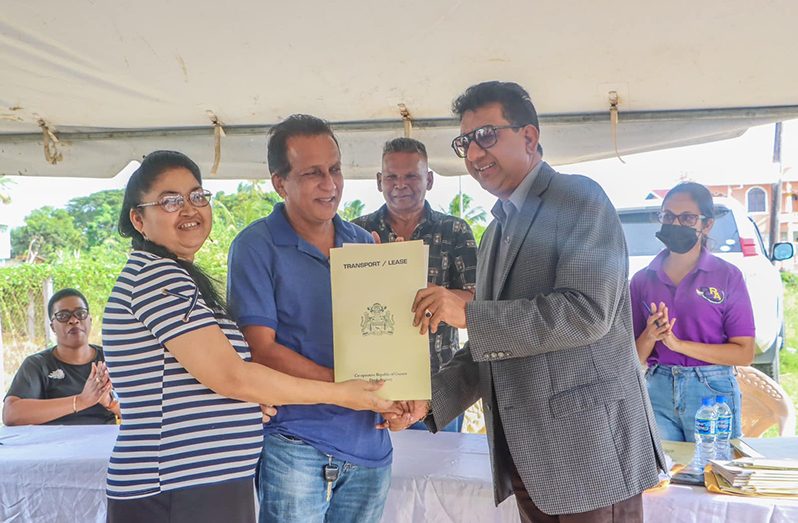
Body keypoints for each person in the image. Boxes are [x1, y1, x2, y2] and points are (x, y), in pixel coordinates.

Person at [389, 81, 666, 521]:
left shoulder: (579, 198)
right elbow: (490, 346)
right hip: (529, 459)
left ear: (530, 138)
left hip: (588, 457)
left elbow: (586, 311)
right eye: (465, 142)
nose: (475, 155)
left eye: (487, 136)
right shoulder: (496, 230)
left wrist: (469, 314)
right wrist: (430, 400)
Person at [103, 150, 395, 523]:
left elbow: (205, 380)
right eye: (170, 201)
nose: (190, 209)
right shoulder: (158, 279)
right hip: (175, 485)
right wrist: (344, 393)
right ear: (138, 219)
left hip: (199, 483)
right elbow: (231, 375)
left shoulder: (175, 277)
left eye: (196, 196)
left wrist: (237, 406)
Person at [227, 115, 394, 523]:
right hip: (295, 444)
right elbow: (260, 352)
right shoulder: (255, 246)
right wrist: (345, 387)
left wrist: (401, 392)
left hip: (371, 444)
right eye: (313, 173)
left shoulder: (362, 242)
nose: (331, 184)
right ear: (279, 183)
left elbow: (384, 339)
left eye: (335, 169)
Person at [352, 137, 477, 432]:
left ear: (429, 180)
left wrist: (438, 298)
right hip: (372, 388)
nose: (400, 184)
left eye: (411, 176)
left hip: (437, 389)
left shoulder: (455, 230)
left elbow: (479, 300)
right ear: (379, 181)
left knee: (438, 475)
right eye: (392, 177)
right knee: (376, 475)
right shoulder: (357, 231)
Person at [631, 182, 755, 442]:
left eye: (687, 218)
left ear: (706, 225)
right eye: (668, 216)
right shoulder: (643, 280)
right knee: (666, 477)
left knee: (713, 474)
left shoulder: (727, 276)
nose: (675, 224)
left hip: (713, 390)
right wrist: (651, 336)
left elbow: (744, 352)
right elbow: (633, 357)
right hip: (658, 388)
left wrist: (678, 345)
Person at [3, 288, 118, 426]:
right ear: (52, 327)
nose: (74, 320)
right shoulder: (38, 365)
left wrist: (110, 402)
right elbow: (11, 414)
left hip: (105, 443)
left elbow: (146, 410)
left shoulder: (112, 358)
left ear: (90, 320)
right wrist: (80, 401)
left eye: (80, 313)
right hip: (52, 444)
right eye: (63, 316)